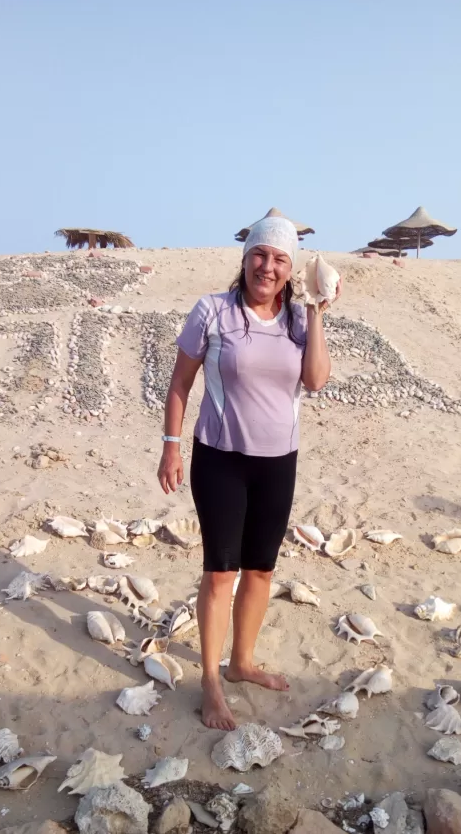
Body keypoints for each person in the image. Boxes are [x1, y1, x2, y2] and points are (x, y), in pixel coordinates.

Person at [156, 215, 339, 730]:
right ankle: (211, 682)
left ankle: (241, 663)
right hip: (221, 459)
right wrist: (171, 448)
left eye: (280, 259)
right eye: (260, 255)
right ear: (245, 258)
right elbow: (179, 384)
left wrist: (317, 311)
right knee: (221, 572)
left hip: (279, 462)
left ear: (290, 269)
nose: (268, 267)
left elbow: (316, 381)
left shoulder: (299, 319)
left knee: (261, 570)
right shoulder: (212, 311)